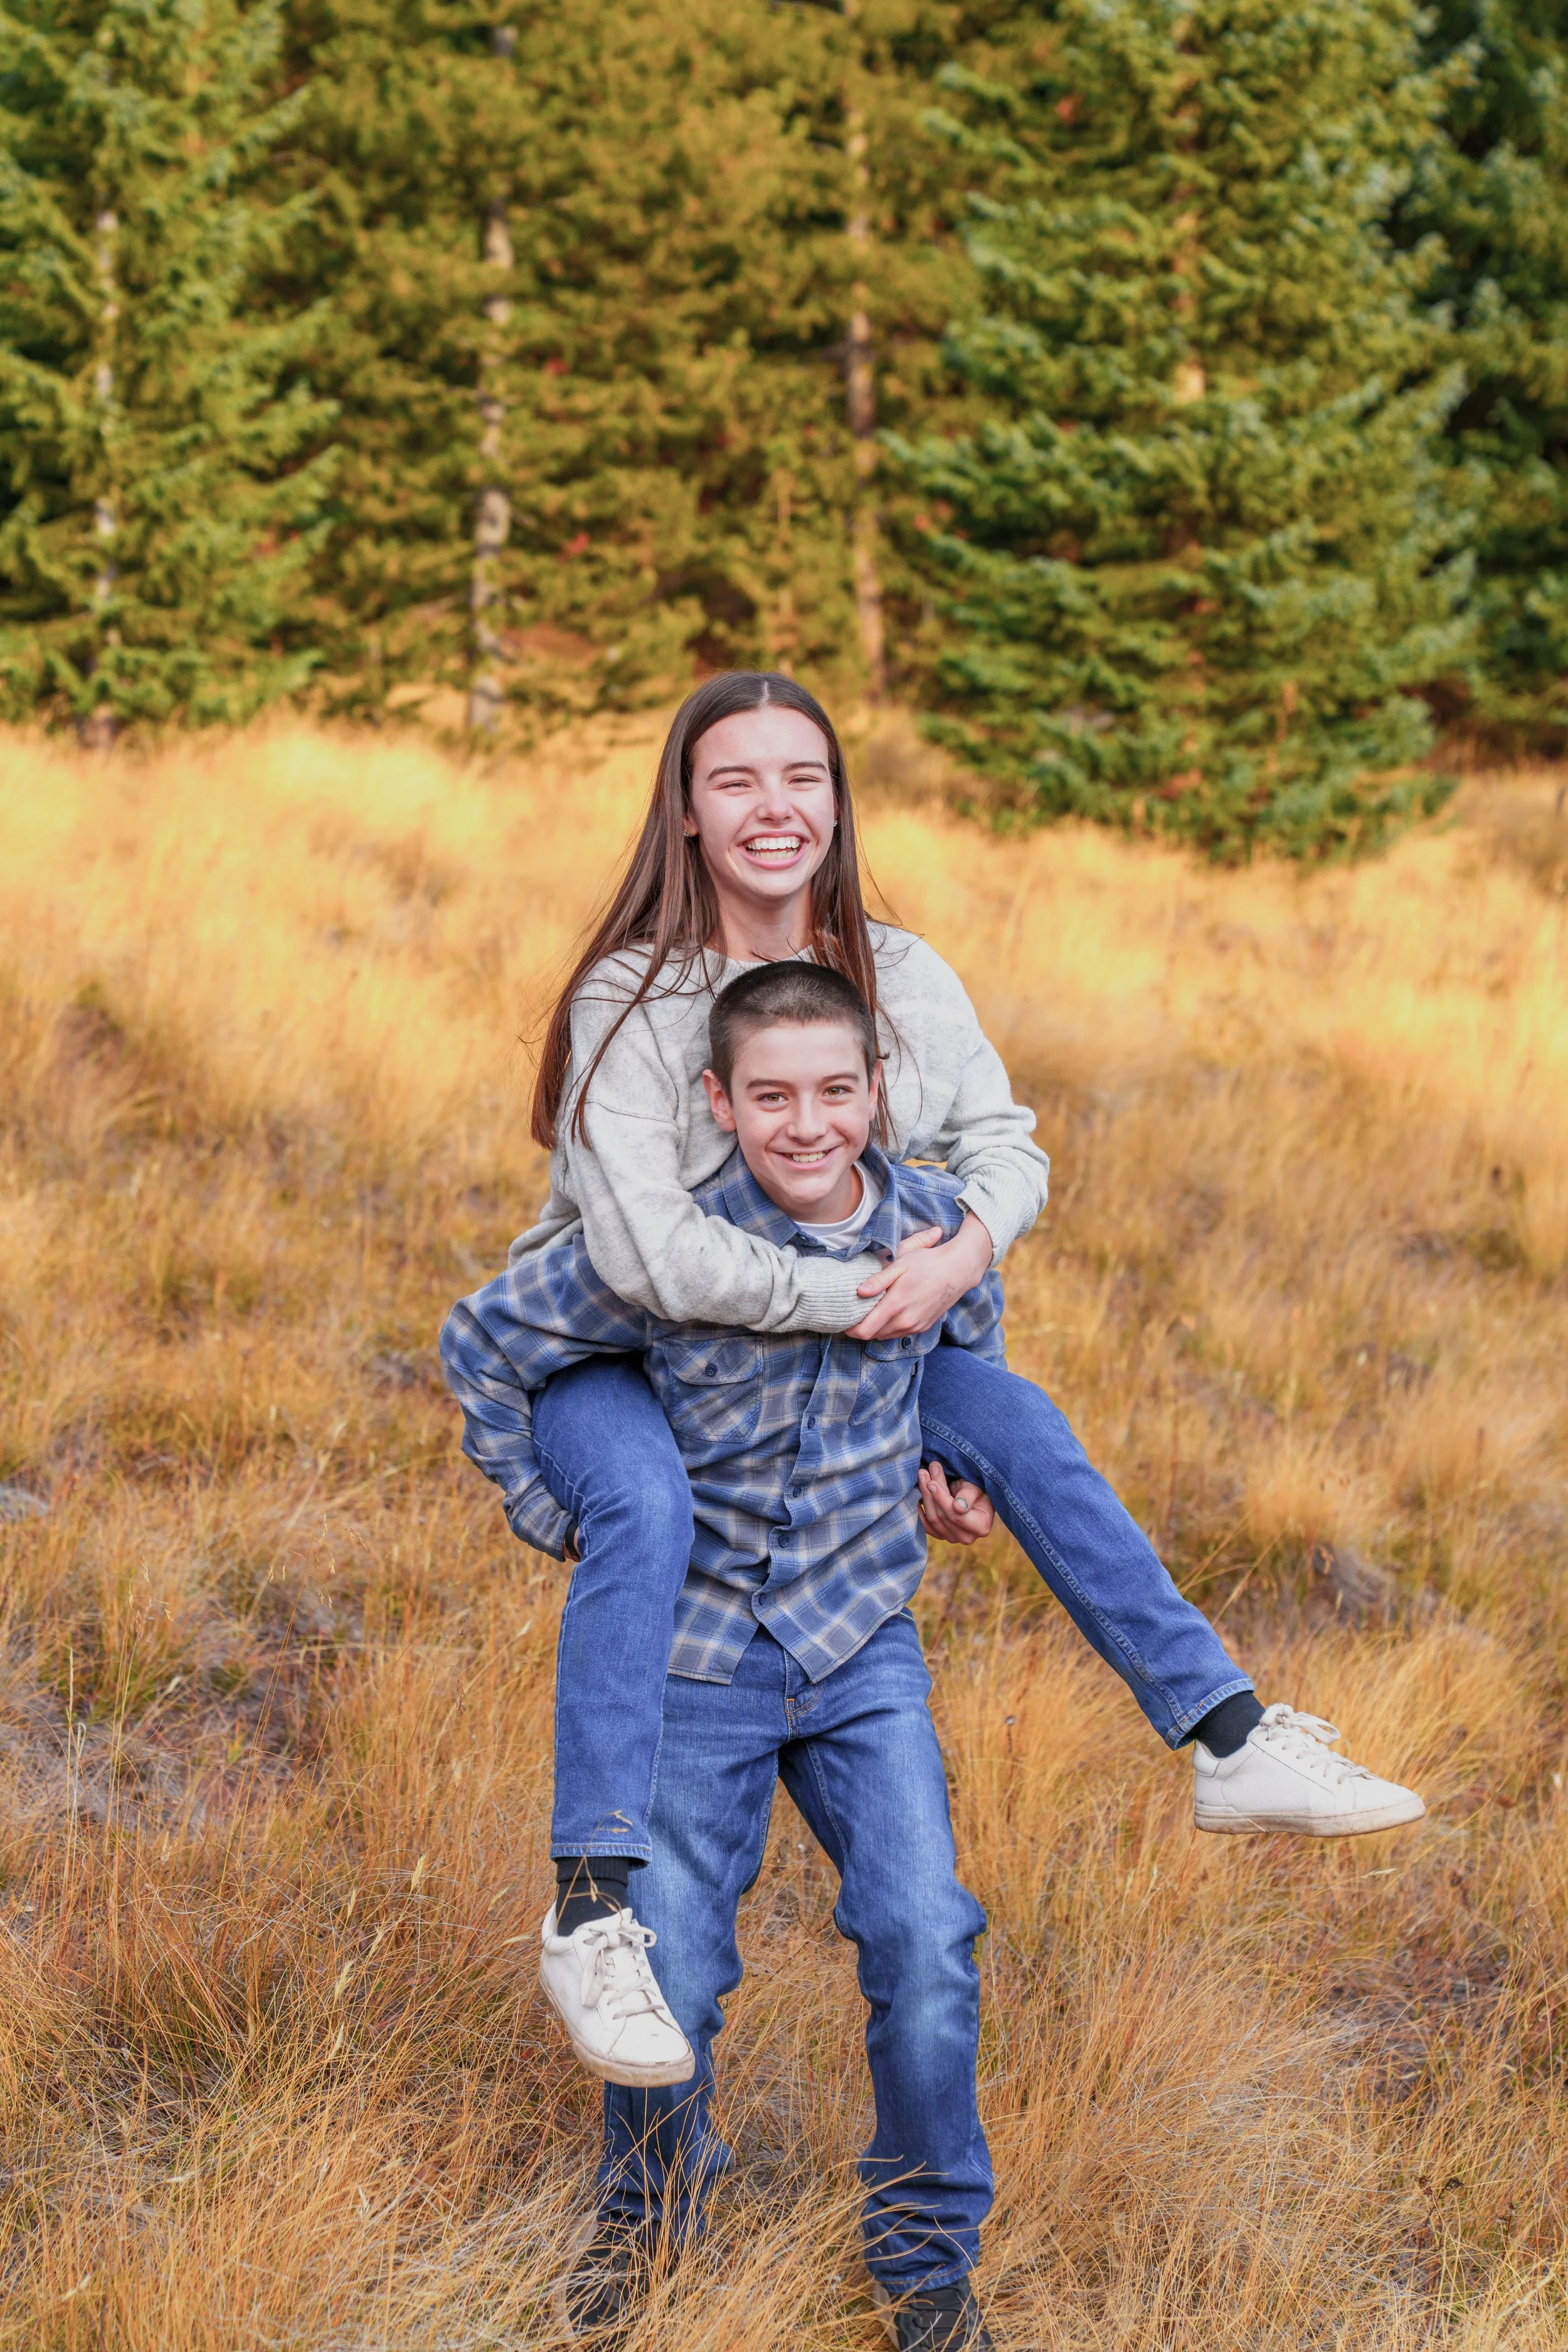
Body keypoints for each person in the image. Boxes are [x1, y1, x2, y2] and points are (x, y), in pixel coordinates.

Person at [496, 669, 1423, 1983]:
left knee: (1010, 1421)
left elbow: (1001, 1146)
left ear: (837, 799)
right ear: (686, 812)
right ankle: (591, 1907)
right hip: (629, 1352)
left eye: (802, 776)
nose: (775, 807)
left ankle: (1227, 1736)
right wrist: (884, 1295)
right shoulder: (633, 997)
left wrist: (965, 1262)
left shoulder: (901, 976)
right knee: (644, 1506)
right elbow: (646, 1255)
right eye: (736, 780)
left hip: (831, 1352)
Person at [443, 963, 1014, 2348]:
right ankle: (645, 2233)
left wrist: (955, 1485)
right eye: (769, 1095)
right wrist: (549, 1503)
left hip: (859, 1639)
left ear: (879, 1095)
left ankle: (925, 2262)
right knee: (671, 1974)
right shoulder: (667, 1248)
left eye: (834, 1091)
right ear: (716, 1100)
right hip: (699, 1651)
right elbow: (484, 1339)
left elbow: (966, 1378)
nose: (805, 1122)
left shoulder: (933, 1234)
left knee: (924, 1939)